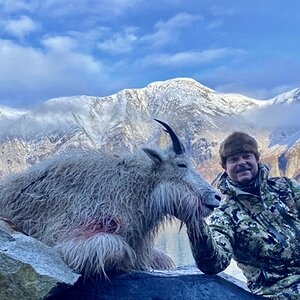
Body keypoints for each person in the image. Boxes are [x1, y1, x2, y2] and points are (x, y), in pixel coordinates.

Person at [186, 131, 300, 299]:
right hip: (278, 292)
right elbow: (214, 263)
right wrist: (194, 222)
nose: (242, 163)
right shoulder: (225, 215)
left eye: (246, 156)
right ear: (225, 167)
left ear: (257, 159)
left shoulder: (287, 188)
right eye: (233, 159)